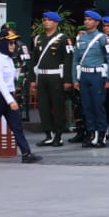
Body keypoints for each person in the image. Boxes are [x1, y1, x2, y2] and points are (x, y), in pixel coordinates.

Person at [0, 27, 42, 165]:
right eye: (10, 43)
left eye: (14, 43)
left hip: (8, 96)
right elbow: (0, 83)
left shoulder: (8, 59)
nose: (13, 45)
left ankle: (26, 153)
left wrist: (13, 93)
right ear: (2, 43)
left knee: (17, 126)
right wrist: (11, 100)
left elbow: (9, 80)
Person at [34, 11, 72, 147]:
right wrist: (33, 79)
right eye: (44, 20)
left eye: (49, 20)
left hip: (56, 76)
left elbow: (68, 60)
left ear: (56, 22)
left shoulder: (63, 38)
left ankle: (58, 135)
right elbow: (35, 60)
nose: (46, 22)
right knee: (43, 106)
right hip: (42, 76)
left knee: (57, 106)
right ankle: (48, 134)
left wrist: (67, 80)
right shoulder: (39, 38)